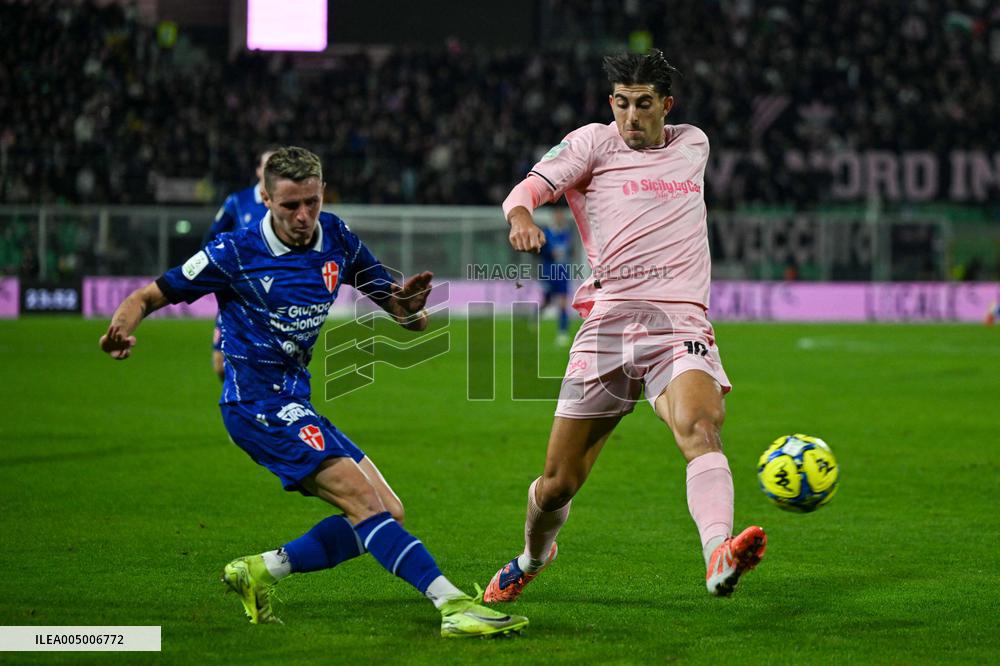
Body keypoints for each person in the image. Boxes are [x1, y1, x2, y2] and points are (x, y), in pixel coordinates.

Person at [99, 146, 528, 638]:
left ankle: (261, 570)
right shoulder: (234, 251)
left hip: (296, 402)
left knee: (388, 511)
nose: (303, 216)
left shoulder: (337, 238)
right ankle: (452, 605)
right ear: (266, 200)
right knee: (364, 505)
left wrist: (409, 309)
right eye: (290, 206)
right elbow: (148, 295)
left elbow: (400, 310)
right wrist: (121, 328)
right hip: (255, 406)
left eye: (312, 202)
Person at [484, 50, 766, 603]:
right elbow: (526, 191)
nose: (630, 116)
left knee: (700, 428)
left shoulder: (694, 144)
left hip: (680, 323)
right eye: (620, 103)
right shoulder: (591, 143)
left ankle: (718, 552)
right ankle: (533, 557)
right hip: (610, 324)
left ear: (667, 105)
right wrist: (521, 216)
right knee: (559, 481)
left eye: (642, 104)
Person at [205, 147, 276, 381]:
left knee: (268, 363)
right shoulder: (238, 201)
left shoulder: (286, 203)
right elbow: (212, 238)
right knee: (220, 365)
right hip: (236, 292)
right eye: (267, 166)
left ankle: (257, 407)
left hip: (273, 293)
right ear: (258, 170)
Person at [538, 206, 573, 345]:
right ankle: (537, 317)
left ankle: (562, 332)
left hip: (562, 272)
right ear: (554, 217)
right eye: (558, 215)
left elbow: (569, 252)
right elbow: (539, 252)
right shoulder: (546, 233)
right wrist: (548, 253)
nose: (560, 218)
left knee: (563, 302)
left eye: (561, 215)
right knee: (547, 301)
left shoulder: (566, 234)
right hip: (548, 272)